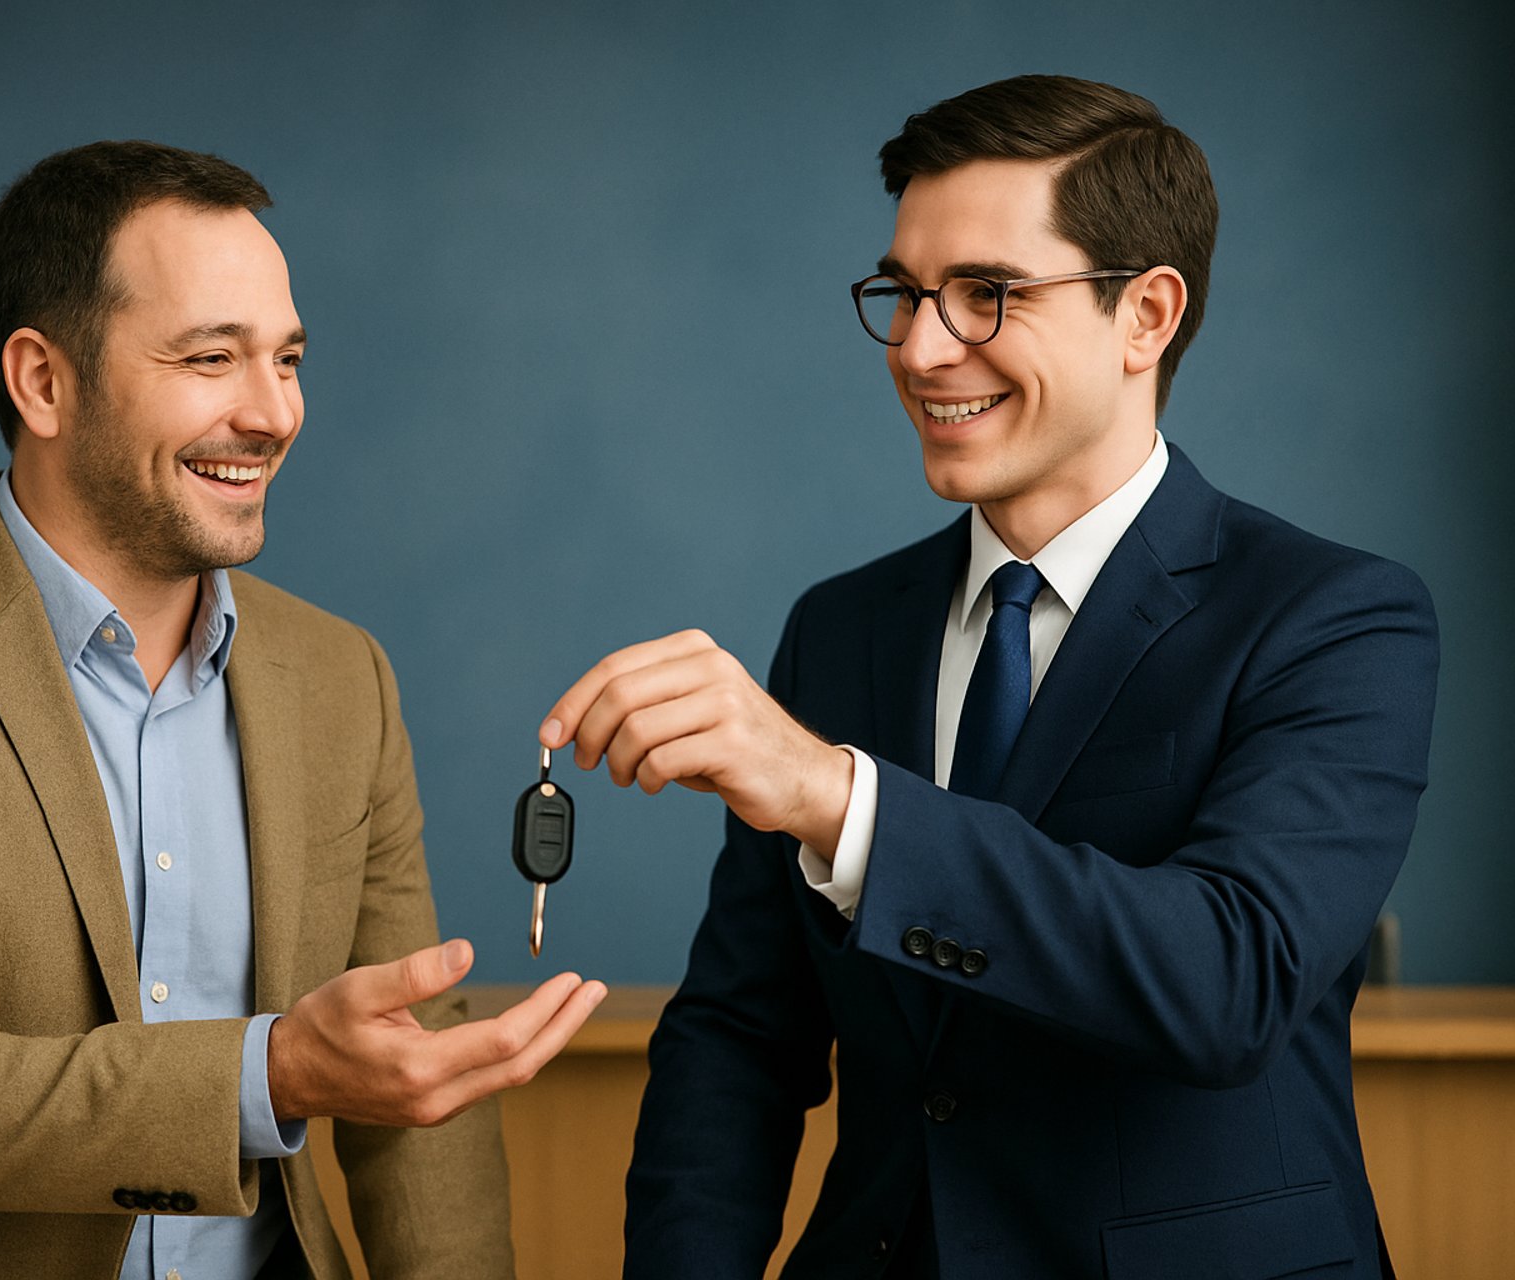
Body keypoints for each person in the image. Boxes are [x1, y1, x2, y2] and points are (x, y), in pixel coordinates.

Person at [541, 76, 1436, 1278]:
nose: (919, 347)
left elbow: (1229, 978)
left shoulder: (1335, 618)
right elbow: (741, 1036)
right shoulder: (843, 625)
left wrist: (843, 801)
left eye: (987, 296)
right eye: (905, 294)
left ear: (1147, 315)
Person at [0, 139, 605, 1280]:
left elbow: (409, 1086)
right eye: (211, 357)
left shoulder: (343, 676)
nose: (274, 412)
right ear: (42, 381)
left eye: (288, 357)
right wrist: (266, 1074)